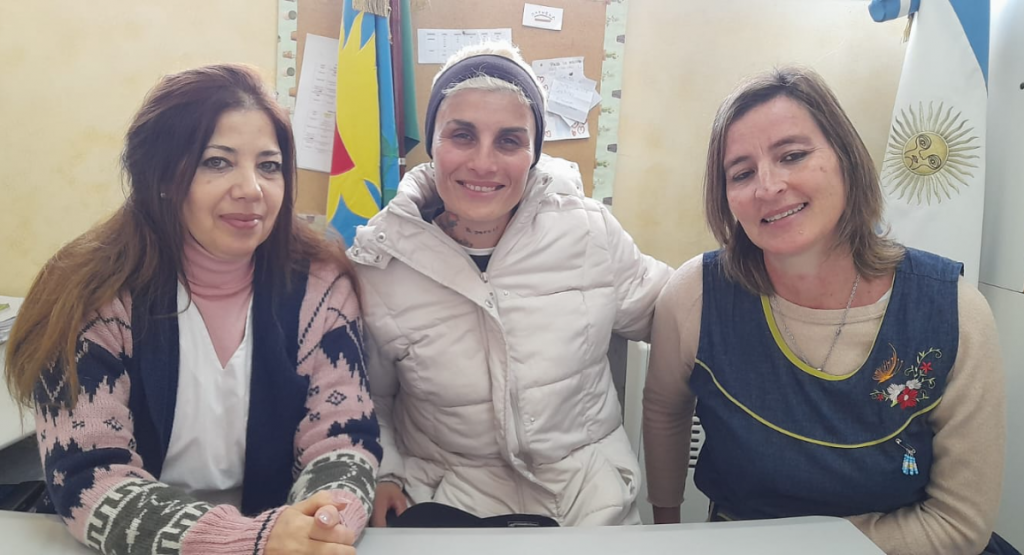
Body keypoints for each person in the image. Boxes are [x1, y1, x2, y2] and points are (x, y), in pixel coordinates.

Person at [4, 64, 381, 555]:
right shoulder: (91, 294)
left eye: (269, 166)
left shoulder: (320, 286)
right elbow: (91, 477)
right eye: (217, 162)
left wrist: (323, 524)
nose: (251, 189)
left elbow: (344, 441)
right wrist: (250, 541)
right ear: (162, 175)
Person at [642, 67, 1008, 554]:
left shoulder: (955, 312)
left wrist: (784, 549)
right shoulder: (695, 295)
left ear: (846, 160)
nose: (767, 186)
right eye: (741, 173)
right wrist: (665, 533)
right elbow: (665, 410)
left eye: (792, 155)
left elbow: (959, 526)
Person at [348, 43, 672, 527]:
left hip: (590, 509)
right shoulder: (381, 262)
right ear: (432, 143)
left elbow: (675, 311)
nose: (483, 163)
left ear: (534, 154)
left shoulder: (589, 233)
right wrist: (386, 472)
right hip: (449, 510)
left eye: (508, 141)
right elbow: (370, 396)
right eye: (462, 135)